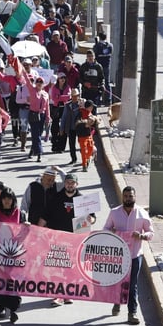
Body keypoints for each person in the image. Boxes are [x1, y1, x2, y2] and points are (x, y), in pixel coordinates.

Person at [103, 186, 154, 325]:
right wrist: (112, 232)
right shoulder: (114, 213)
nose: (128, 199)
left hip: (135, 255)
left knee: (132, 285)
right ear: (122, 197)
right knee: (118, 282)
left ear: (135, 197)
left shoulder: (142, 214)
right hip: (118, 256)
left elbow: (151, 233)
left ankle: (132, 313)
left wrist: (142, 236)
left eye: (130, 196)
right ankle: (117, 302)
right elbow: (105, 228)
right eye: (126, 196)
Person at [39, 173, 82, 306]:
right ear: (65, 184)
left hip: (73, 240)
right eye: (68, 182)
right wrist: (37, 232)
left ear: (77, 184)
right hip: (56, 239)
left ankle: (68, 294)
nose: (70, 185)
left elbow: (91, 217)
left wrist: (89, 220)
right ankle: (57, 295)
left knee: (71, 268)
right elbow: (45, 215)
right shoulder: (56, 198)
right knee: (57, 267)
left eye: (72, 182)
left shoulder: (82, 199)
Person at [0, 188, 26, 322]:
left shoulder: (19, 213)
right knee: (0, 280)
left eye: (9, 198)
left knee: (13, 281)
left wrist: (26, 225)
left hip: (14, 254)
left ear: (13, 200)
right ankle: (1, 307)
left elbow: (23, 231)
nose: (7, 201)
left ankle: (13, 309)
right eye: (4, 198)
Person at [59, 88, 82, 165]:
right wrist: (61, 129)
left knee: (82, 143)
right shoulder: (67, 105)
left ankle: (85, 158)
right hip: (71, 127)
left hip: (80, 127)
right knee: (71, 144)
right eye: (73, 96)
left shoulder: (81, 104)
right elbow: (64, 117)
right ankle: (73, 158)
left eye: (76, 96)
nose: (75, 97)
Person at [76, 100, 99, 171]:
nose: (92, 108)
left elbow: (94, 125)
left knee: (90, 149)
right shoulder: (80, 113)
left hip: (89, 135)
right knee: (83, 150)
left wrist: (96, 121)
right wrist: (85, 124)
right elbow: (77, 123)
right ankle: (84, 165)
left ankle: (87, 158)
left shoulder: (91, 114)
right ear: (88, 107)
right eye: (91, 106)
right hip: (82, 135)